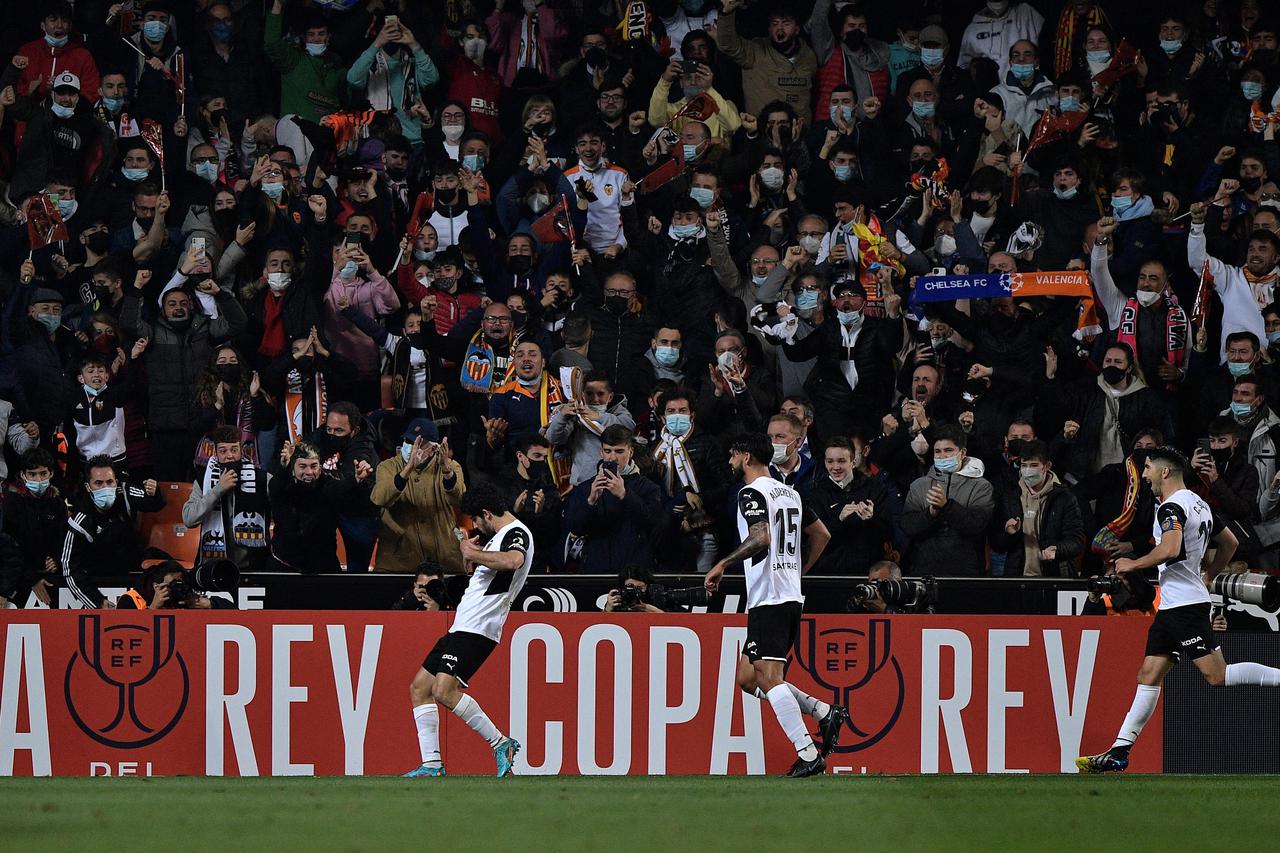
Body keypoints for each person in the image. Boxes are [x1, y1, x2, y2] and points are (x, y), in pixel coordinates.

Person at [1077, 447, 1280, 773]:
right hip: (1175, 605)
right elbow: (1230, 542)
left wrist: (1132, 564)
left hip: (1184, 606)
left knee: (1217, 675)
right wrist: (1210, 574)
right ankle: (1120, 751)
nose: (1143, 476)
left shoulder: (1171, 506)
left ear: (1164, 472)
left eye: (1146, 469)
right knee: (1149, 675)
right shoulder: (1200, 504)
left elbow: (1170, 549)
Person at [705, 432, 843, 777]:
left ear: (746, 455)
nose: (730, 462)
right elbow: (822, 534)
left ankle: (808, 753)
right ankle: (824, 712)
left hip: (771, 597)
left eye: (733, 455)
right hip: (785, 594)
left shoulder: (750, 493)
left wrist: (723, 563)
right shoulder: (790, 493)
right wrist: (797, 571)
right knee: (747, 678)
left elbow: (761, 536)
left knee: (768, 677)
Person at [404, 483, 531, 779]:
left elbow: (514, 561)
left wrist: (471, 553)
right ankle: (432, 765)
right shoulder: (497, 538)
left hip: (479, 628)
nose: (475, 526)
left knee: (444, 691)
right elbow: (487, 575)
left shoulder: (516, 533)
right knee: (419, 688)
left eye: (476, 520)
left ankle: (501, 743)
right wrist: (472, 551)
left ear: (486, 513)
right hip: (463, 624)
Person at [62, 456, 165, 608]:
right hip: (98, 575)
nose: (105, 487)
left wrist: (155, 493)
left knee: (166, 564)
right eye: (98, 483)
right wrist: (97, 602)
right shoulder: (80, 519)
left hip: (133, 569)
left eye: (109, 482)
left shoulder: (125, 492)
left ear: (116, 482)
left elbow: (154, 504)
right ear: (88, 486)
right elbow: (70, 569)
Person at [370, 419, 466, 574]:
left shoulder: (451, 466)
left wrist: (446, 470)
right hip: (397, 560)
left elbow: (459, 499)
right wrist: (407, 469)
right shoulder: (387, 466)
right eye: (409, 441)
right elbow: (380, 498)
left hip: (443, 559)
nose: (412, 447)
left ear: (434, 447)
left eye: (420, 443)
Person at [902, 426, 995, 576]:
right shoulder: (919, 485)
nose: (942, 456)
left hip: (966, 573)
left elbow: (976, 525)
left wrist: (946, 506)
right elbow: (908, 526)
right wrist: (930, 513)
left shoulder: (981, 487)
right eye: (937, 451)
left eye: (948, 450)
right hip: (925, 572)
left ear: (962, 453)